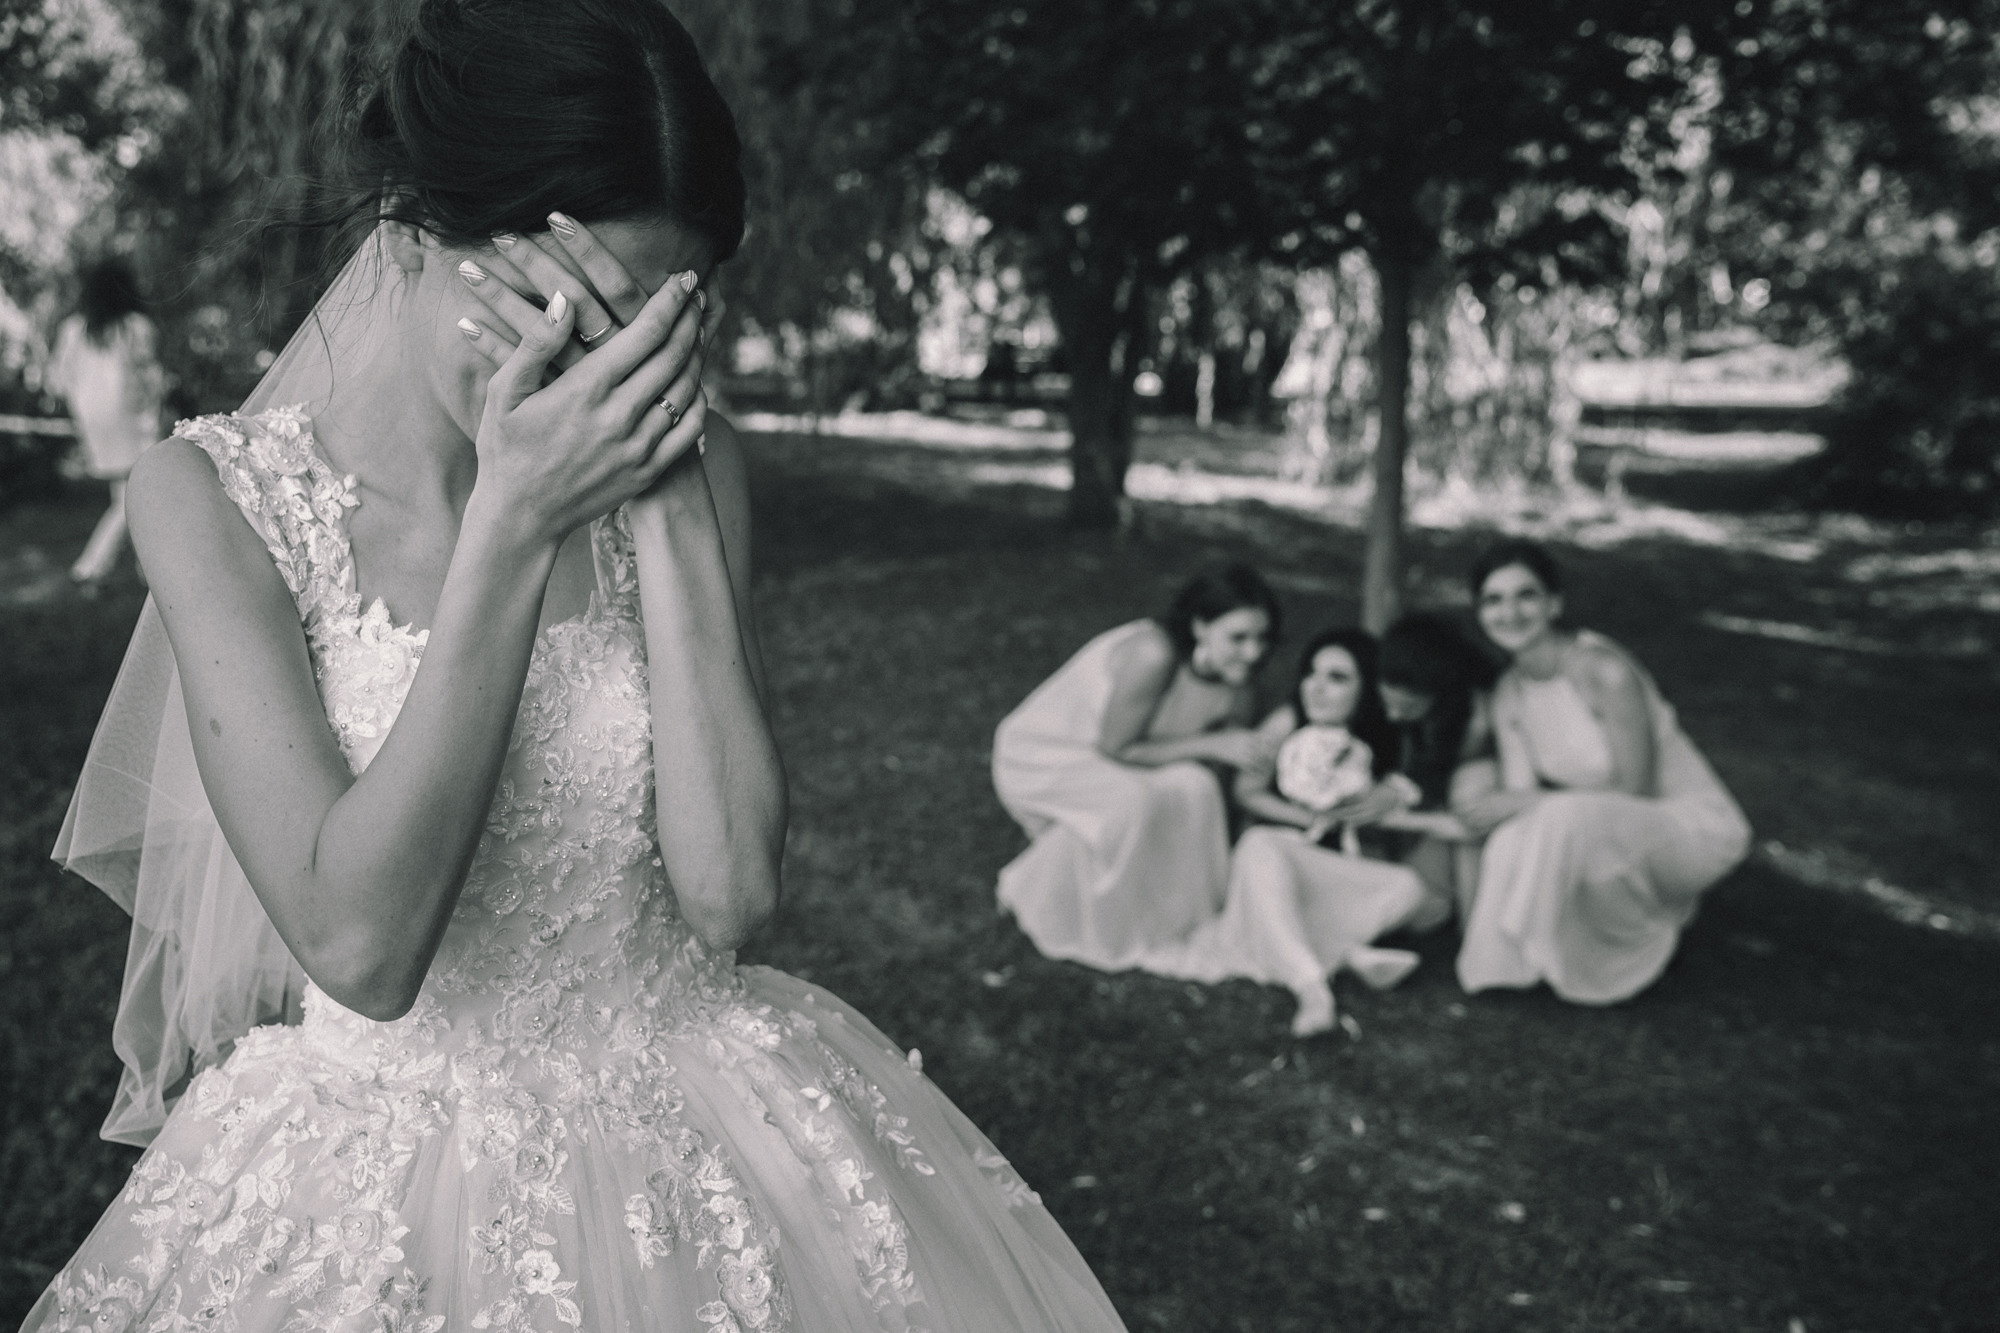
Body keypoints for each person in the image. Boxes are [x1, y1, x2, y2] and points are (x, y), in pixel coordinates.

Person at [28, 4, 1130, 1329]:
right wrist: (512, 519)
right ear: (414, 236)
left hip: (700, 1111)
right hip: (380, 1161)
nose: (599, 369)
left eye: (646, 326)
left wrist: (662, 499)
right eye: (562, 312)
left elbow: (730, 896)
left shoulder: (694, 460)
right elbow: (362, 948)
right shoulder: (211, 502)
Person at [1453, 539, 1751, 1003]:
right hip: (1602, 823)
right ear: (1479, 613)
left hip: (1687, 826)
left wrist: (1531, 803)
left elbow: (1638, 789)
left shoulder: (1603, 670)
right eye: (1493, 600)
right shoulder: (1508, 693)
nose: (1509, 612)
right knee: (1516, 834)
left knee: (1558, 816)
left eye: (1525, 595)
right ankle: (1497, 970)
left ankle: (1638, 928)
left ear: (1555, 603)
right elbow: (1519, 797)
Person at [1138, 628, 1443, 1037]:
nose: (1315, 688)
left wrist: (1383, 800)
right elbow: (1245, 791)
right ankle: (1313, 987)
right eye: (1311, 673)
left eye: (1337, 678)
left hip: (1336, 864)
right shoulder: (1287, 723)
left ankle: (1343, 953)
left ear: (1366, 688)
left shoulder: (1382, 740)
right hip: (1281, 851)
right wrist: (1304, 817)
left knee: (1409, 887)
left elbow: (1395, 804)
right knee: (1259, 846)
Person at [992, 564, 1281, 972]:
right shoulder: (1154, 653)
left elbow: (1207, 767)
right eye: (1239, 638)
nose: (1253, 652)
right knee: (1131, 805)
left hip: (1120, 755)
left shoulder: (1238, 682)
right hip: (1051, 754)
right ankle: (1040, 897)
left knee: (1195, 786)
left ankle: (1175, 915)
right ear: (1200, 626)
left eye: (1261, 638)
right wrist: (1215, 744)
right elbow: (1118, 747)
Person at [45, 257, 165, 590]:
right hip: (133, 419)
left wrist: (81, 406)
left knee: (130, 495)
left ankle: (148, 572)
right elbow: (151, 379)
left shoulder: (74, 329)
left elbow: (58, 378)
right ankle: (90, 569)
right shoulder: (136, 327)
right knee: (130, 499)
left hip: (94, 421)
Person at [1375, 611, 1502, 916]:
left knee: (1429, 906)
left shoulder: (1479, 719)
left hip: (1476, 814)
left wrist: (1388, 817)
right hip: (1428, 811)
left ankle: (1473, 931)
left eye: (1407, 707)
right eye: (1387, 702)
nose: (1393, 716)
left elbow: (1472, 821)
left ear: (1441, 694)